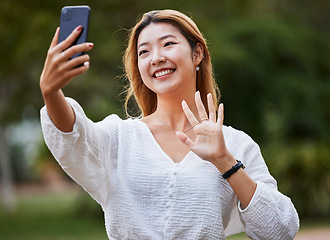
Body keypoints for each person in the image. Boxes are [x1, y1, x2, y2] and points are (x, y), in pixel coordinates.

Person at [40, 9, 299, 240]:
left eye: (168, 44)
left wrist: (225, 161)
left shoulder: (234, 144)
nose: (156, 58)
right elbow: (75, 135)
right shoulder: (119, 137)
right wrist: (51, 93)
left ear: (197, 53)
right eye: (144, 51)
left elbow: (279, 230)